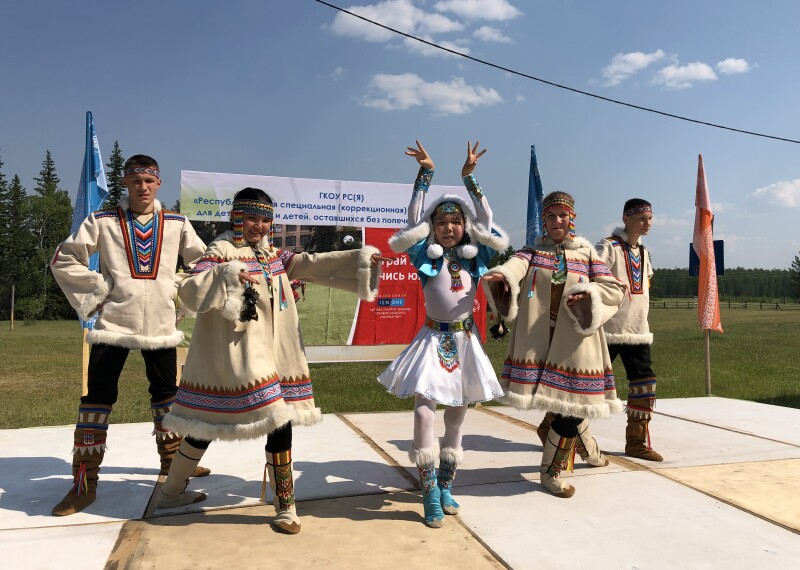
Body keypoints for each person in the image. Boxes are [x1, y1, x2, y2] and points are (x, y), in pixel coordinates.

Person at [156, 187, 386, 535]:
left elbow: (311, 264)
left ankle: (283, 503)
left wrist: (360, 261)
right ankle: (175, 493)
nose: (259, 226)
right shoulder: (221, 250)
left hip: (275, 354)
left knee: (270, 420)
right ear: (237, 218)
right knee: (206, 427)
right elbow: (189, 288)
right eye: (252, 218)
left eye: (265, 219)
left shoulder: (272, 254)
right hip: (236, 356)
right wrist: (225, 275)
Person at [49, 154, 210, 516]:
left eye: (149, 181)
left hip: (160, 327)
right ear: (126, 183)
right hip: (113, 325)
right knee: (96, 398)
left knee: (168, 395)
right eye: (136, 180)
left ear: (159, 183)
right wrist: (98, 292)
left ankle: (174, 468)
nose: (142, 187)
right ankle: (82, 485)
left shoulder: (177, 224)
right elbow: (64, 257)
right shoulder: (103, 221)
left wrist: (179, 295)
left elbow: (204, 264)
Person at [378, 141, 508, 528]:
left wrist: (471, 180)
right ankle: (429, 491)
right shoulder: (424, 258)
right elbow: (412, 217)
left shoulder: (478, 256)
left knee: (457, 417)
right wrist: (426, 173)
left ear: (463, 225)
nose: (448, 228)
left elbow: (487, 218)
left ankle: (448, 484)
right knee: (423, 412)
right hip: (432, 341)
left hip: (466, 343)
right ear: (433, 228)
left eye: (455, 222)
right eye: (441, 222)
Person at [483, 191, 626, 497]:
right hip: (539, 338)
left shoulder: (587, 254)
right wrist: (501, 278)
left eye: (563, 215)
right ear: (544, 220)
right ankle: (570, 463)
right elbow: (514, 269)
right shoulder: (532, 252)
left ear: (571, 219)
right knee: (569, 406)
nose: (557, 221)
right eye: (551, 216)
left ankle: (553, 469)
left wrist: (590, 297)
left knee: (572, 408)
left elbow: (613, 289)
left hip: (576, 340)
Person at [593, 199, 662, 461]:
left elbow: (646, 283)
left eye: (650, 218)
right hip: (607, 329)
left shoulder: (643, 251)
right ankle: (555, 429)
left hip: (637, 330)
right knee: (586, 382)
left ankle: (636, 442)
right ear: (626, 218)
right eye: (642, 218)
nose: (647, 223)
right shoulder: (608, 247)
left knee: (645, 384)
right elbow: (590, 276)